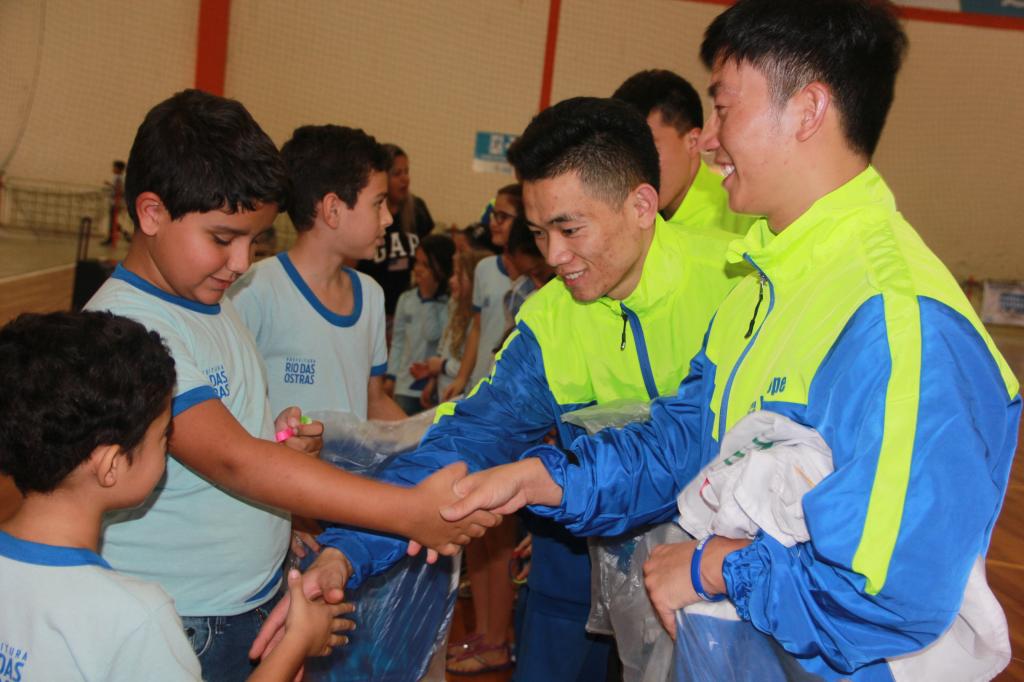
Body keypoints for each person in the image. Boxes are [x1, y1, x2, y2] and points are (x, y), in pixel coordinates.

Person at [443, 2, 1021, 679]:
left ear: (807, 110)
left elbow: (887, 592)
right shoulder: (759, 285)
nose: (709, 141)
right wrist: (548, 478)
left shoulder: (899, 319)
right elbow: (687, 441)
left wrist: (712, 567)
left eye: (723, 108)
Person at [313, 96, 742, 681]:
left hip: (732, 577)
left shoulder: (736, 282)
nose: (554, 256)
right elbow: (467, 438)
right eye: (540, 233)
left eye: (570, 228)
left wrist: (540, 477)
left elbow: (687, 446)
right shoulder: (551, 320)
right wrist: (347, 551)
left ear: (642, 205)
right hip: (592, 550)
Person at [82, 89, 498, 680]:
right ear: (151, 213)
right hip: (184, 612)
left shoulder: (208, 300)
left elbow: (237, 440)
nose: (241, 262)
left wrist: (279, 442)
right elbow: (232, 460)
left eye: (254, 241)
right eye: (223, 238)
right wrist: (407, 512)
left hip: (243, 597)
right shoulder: (130, 324)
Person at [0, 311, 352, 682]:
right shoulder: (135, 615)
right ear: (111, 465)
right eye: (163, 435)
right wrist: (296, 642)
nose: (169, 446)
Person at [230, 124, 405, 422]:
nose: (388, 218)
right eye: (378, 203)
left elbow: (373, 400)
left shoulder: (371, 294)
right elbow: (228, 409)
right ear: (333, 209)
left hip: (348, 457)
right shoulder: (253, 291)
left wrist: (432, 438)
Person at [613, 69, 753, 234]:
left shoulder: (743, 215)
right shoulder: (635, 218)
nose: (634, 167)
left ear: (693, 142)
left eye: (648, 149)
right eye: (626, 153)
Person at [443, 184, 523, 400]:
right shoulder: (484, 268)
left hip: (512, 388)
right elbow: (477, 328)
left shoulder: (538, 276)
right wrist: (462, 378)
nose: (493, 223)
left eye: (503, 217)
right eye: (493, 215)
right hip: (479, 382)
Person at [358, 144, 435, 322]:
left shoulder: (417, 209)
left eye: (406, 172)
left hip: (407, 309)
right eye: (397, 174)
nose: (405, 179)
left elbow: (430, 261)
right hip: (371, 308)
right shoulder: (367, 213)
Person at [412, 247, 494, 408]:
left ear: (475, 280)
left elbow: (475, 365)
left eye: (458, 275)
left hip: (464, 398)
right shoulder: (456, 307)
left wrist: (442, 366)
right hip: (446, 394)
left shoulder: (479, 321)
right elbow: (444, 347)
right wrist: (433, 378)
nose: (451, 280)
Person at [385, 234, 454, 414]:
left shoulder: (449, 302)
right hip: (404, 386)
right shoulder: (406, 298)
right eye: (417, 262)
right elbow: (398, 342)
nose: (418, 269)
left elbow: (432, 335)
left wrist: (428, 298)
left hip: (433, 386)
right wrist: (391, 377)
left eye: (426, 265)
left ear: (442, 268)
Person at [100, 159, 127, 245]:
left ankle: (112, 238)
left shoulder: (119, 178)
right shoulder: (117, 177)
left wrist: (109, 185)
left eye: (115, 167)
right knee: (113, 221)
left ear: (119, 169)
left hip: (117, 202)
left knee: (112, 221)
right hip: (114, 201)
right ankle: (124, 234)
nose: (113, 169)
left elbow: (120, 190)